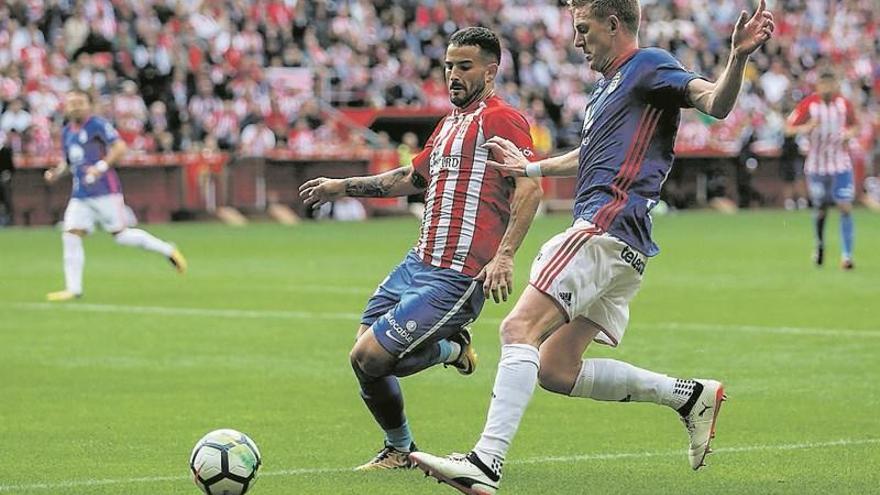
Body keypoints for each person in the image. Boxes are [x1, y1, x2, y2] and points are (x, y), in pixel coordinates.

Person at [410, 1, 775, 493]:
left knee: (518, 328)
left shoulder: (648, 65)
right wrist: (531, 169)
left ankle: (485, 461)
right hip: (628, 244)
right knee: (557, 369)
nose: (577, 40)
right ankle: (690, 397)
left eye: (583, 30)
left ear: (613, 25)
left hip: (605, 224)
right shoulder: (607, 90)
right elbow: (591, 155)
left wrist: (737, 58)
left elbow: (714, 103)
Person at [298, 27, 542, 471]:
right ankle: (399, 449)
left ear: (491, 71)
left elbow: (529, 186)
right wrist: (341, 186)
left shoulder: (503, 119)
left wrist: (505, 256)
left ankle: (453, 349)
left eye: (464, 67)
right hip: (418, 262)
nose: (453, 75)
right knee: (362, 356)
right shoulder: (448, 125)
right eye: (448, 66)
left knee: (372, 357)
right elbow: (409, 180)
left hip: (459, 274)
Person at [44, 89, 187, 302]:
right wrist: (56, 173)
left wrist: (100, 167)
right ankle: (73, 289)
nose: (75, 106)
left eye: (79, 102)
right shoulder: (67, 131)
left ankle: (168, 249)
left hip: (105, 191)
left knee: (121, 236)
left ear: (88, 105)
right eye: (71, 102)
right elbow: (70, 161)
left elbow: (120, 147)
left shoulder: (97, 125)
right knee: (70, 234)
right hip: (81, 193)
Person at [785, 70, 858, 270]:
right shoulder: (809, 105)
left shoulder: (844, 104)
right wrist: (806, 128)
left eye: (830, 84)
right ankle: (819, 245)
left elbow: (855, 126)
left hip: (840, 164)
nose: (827, 88)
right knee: (821, 209)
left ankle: (847, 256)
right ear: (818, 86)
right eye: (823, 85)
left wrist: (849, 134)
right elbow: (788, 129)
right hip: (817, 166)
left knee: (845, 207)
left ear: (835, 85)